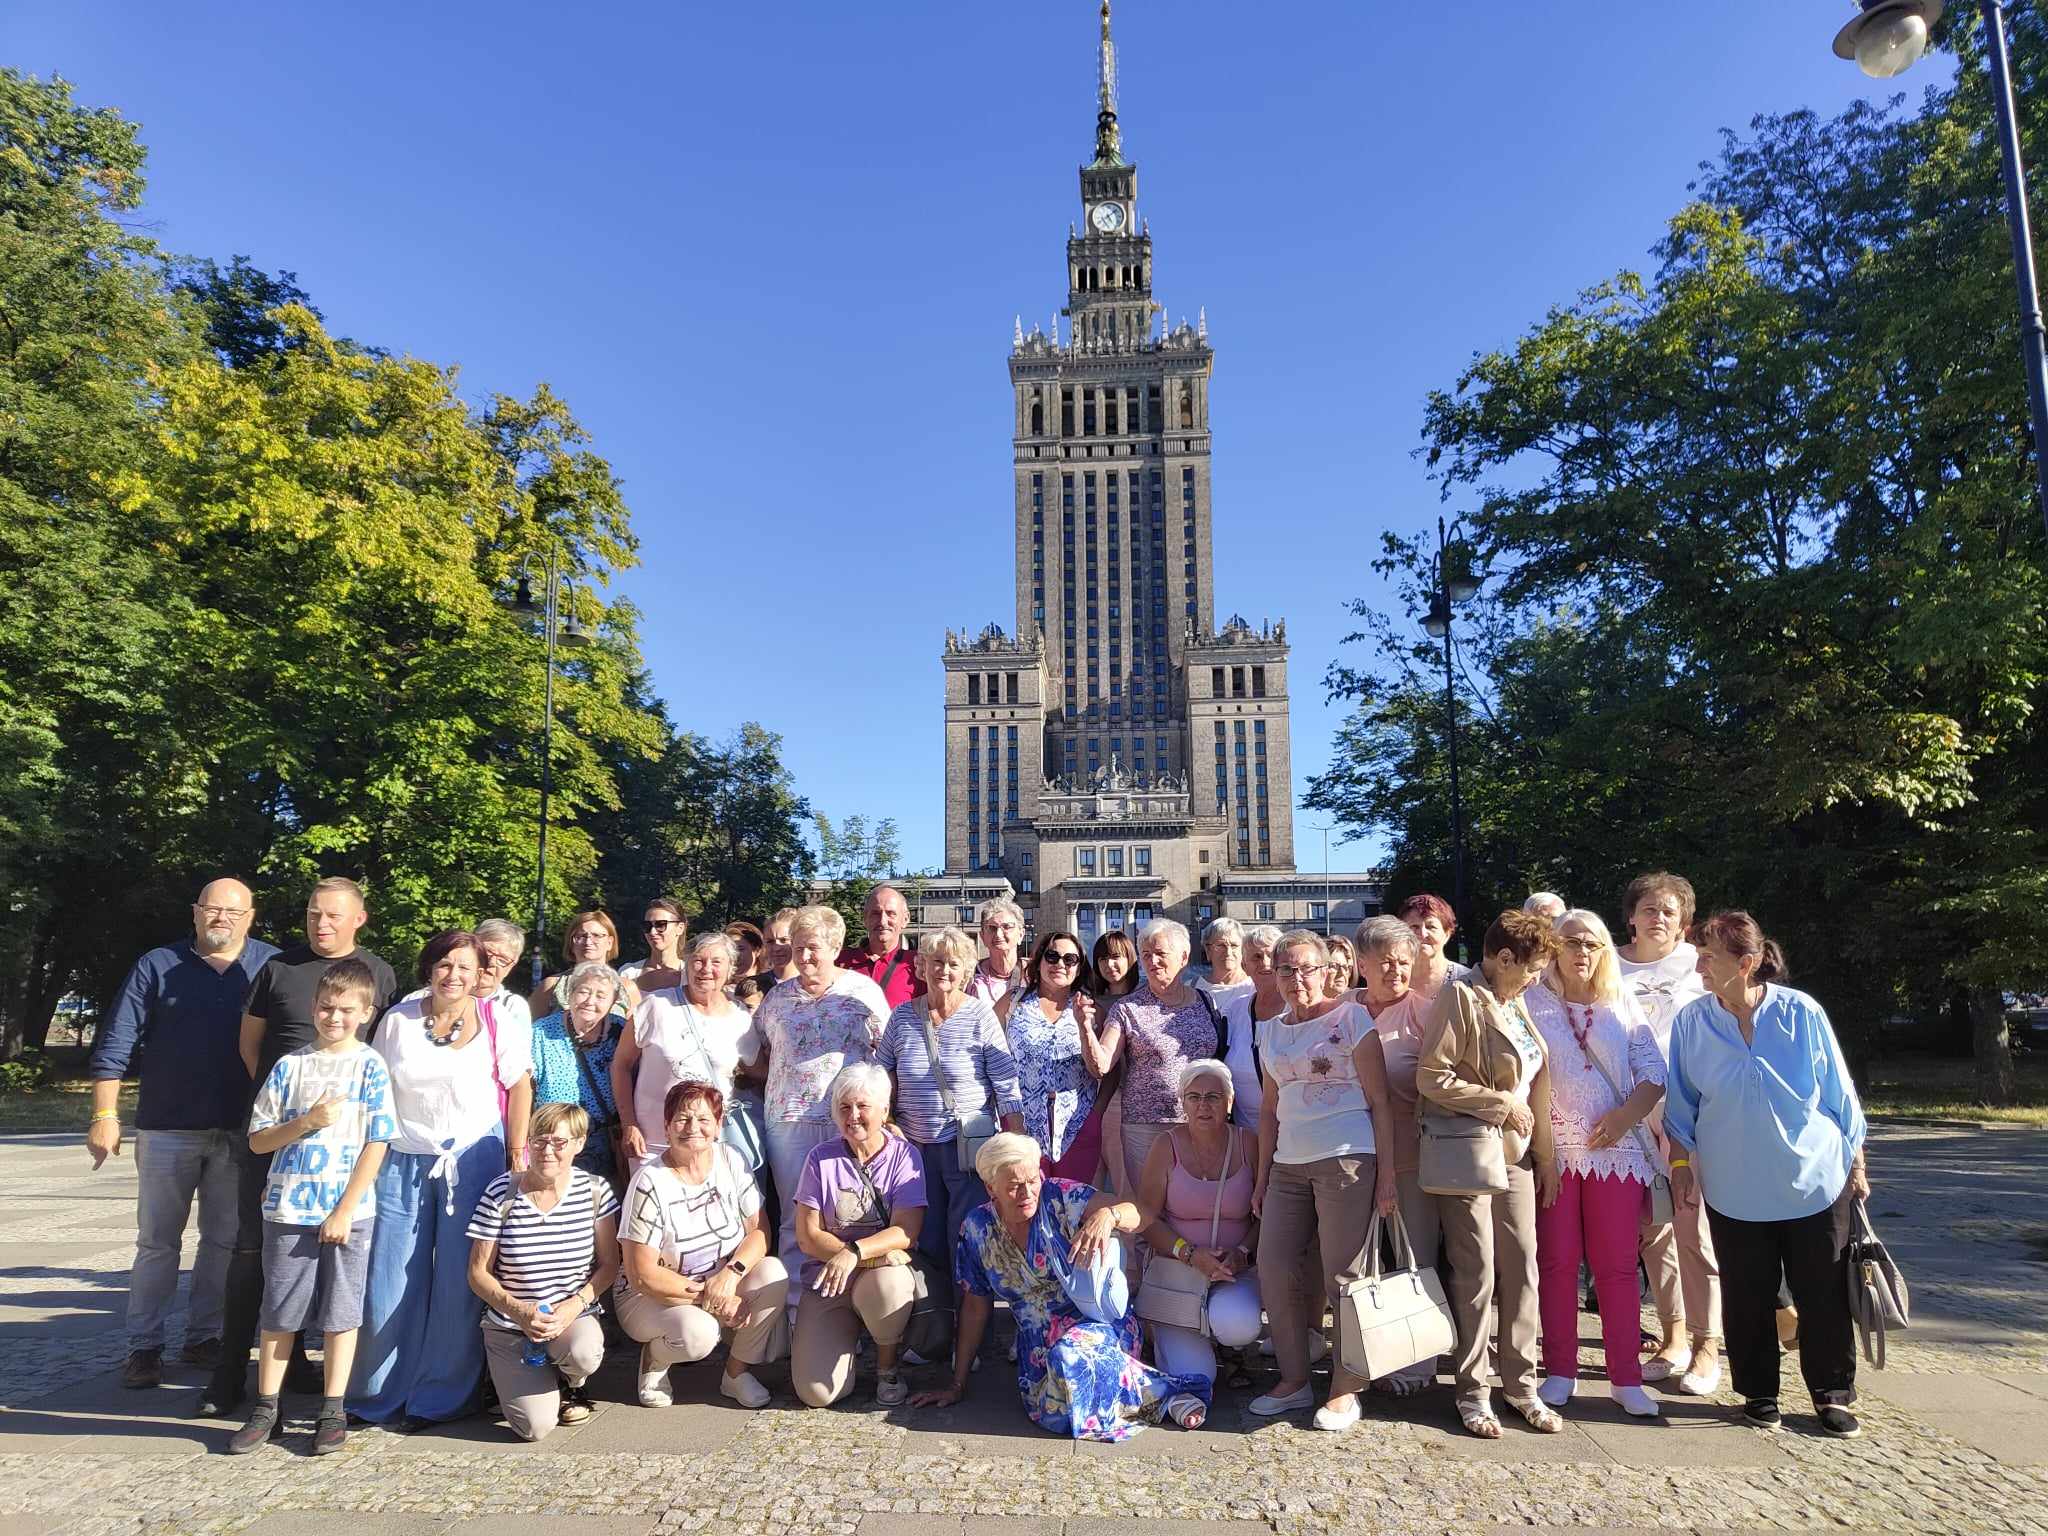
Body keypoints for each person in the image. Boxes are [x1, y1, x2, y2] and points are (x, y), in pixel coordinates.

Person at [1664, 912, 1869, 1438]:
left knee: (1822, 1291)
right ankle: (1759, 1393)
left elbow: (1840, 1094)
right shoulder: (1692, 1022)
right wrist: (1682, 1164)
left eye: (1710, 956)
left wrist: (1857, 1163)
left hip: (1815, 1179)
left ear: (1748, 963)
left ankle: (1832, 1394)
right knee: (1747, 1292)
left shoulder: (1801, 1013)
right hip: (1734, 1186)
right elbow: (1681, 1105)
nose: (1700, 965)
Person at [208, 876, 399, 1418]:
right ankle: (233, 1378)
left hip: (345, 1162)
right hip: (282, 1151)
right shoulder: (277, 969)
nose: (322, 923)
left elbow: (376, 1055)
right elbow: (251, 1045)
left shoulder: (378, 974)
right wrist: (295, 1116)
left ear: (358, 919)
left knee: (339, 1286)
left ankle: (324, 1391)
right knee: (253, 1259)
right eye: (314, 913)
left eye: (334, 915)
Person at [89, 878, 278, 1391]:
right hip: (167, 1125)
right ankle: (144, 1346)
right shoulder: (156, 965)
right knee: (157, 1243)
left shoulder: (271, 965)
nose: (222, 918)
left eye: (233, 911)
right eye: (213, 909)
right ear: (196, 913)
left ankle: (203, 1338)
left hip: (242, 1130)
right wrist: (105, 1115)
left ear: (250, 916)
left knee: (223, 1241)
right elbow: (117, 1040)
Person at [910, 1133, 1209, 1439]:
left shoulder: (1061, 1197)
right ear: (991, 1188)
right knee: (1059, 1415)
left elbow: (1142, 1213)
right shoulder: (977, 1229)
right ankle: (1140, 1395)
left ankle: (1166, 1394)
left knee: (1071, 1358)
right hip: (1038, 1349)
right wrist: (957, 1383)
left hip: (1096, 1322)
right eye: (1014, 1186)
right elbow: (975, 1305)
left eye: (1033, 1180)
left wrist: (1109, 1215)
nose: (1027, 1192)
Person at [353, 930, 533, 1428]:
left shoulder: (498, 1020)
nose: (453, 975)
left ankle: (442, 1398)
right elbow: (375, 1091)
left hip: (474, 1160)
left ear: (480, 976)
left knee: (460, 1280)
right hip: (402, 1158)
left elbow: (520, 1086)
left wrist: (516, 1151)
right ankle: (378, 1394)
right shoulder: (397, 1020)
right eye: (444, 965)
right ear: (429, 968)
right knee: (389, 1280)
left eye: (464, 968)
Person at [227, 957, 394, 1456]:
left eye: (346, 1009)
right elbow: (258, 1140)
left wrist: (345, 1209)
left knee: (341, 1313)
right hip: (288, 1208)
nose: (334, 1017)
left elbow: (378, 1142)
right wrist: (305, 1123)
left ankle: (332, 1407)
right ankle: (266, 1406)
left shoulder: (370, 1065)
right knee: (279, 1311)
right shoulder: (290, 1065)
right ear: (313, 1007)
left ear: (365, 1011)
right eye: (326, 1007)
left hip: (348, 1210)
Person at [1418, 908, 1561, 1439]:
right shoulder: (1462, 995)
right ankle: (1472, 1390)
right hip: (1471, 1154)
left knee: (1523, 1267)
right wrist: (1497, 1103)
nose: (1535, 978)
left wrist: (1544, 1156)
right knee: (1476, 1273)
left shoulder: (1515, 1000)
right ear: (1503, 958)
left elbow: (1536, 1084)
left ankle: (1522, 1387)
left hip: (1517, 1156)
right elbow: (1432, 1076)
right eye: (1530, 968)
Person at [1522, 910, 1665, 1418]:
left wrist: (1627, 1116)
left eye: (1592, 943)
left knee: (1618, 1268)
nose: (1581, 952)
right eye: (1570, 942)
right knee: (1556, 1263)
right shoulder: (1531, 1001)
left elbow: (1653, 1071)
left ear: (1605, 950)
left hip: (1616, 1155)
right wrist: (1540, 1148)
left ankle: (1625, 1377)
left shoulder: (1621, 1003)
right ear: (1553, 948)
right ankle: (1559, 1370)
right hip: (1553, 1156)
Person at [1250, 931, 1395, 1432]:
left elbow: (1380, 1102)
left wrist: (1388, 1176)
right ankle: (1293, 1379)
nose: (1296, 980)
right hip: (1289, 1163)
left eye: (1306, 969)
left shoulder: (1352, 1018)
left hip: (1347, 1159)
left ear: (1327, 971)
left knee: (1344, 1277)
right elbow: (1269, 1111)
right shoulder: (1269, 1031)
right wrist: (1262, 1176)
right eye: (1286, 970)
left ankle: (1346, 1386)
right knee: (1274, 1265)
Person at [877, 928, 1025, 1334]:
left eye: (953, 963)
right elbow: (881, 1075)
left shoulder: (979, 1016)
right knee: (922, 1240)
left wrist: (1017, 1145)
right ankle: (931, 1331)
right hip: (912, 1148)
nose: (943, 970)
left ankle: (970, 1333)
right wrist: (888, 1124)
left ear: (965, 971)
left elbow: (1006, 1085)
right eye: (936, 961)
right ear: (922, 966)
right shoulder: (903, 1017)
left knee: (966, 1239)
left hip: (966, 1149)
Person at [614, 1080, 788, 1410]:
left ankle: (735, 1374)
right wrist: (715, 1297)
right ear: (666, 1127)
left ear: (719, 1126)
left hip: (718, 1279)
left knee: (772, 1274)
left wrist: (732, 1276)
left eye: (704, 1119)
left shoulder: (731, 1159)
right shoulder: (650, 1181)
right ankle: (654, 1358)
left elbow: (760, 1231)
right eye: (682, 1119)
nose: (693, 1127)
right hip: (651, 1296)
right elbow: (643, 1275)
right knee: (699, 1334)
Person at [1616, 870, 1723, 1391]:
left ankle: (1708, 1345)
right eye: (1650, 909)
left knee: (1693, 1229)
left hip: (1689, 1115)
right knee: (1652, 1232)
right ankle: (1673, 1336)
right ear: (1631, 916)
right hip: (1631, 1115)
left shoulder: (1697, 966)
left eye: (1669, 911)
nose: (1658, 918)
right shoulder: (1606, 966)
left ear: (1685, 923)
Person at [754, 904, 891, 1297]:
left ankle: (854, 1304)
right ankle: (797, 1309)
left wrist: (884, 1111)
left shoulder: (863, 992)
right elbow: (760, 1051)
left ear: (835, 946)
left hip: (848, 1120)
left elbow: (886, 1052)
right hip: (789, 1119)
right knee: (796, 1218)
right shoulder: (776, 1000)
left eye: (813, 947)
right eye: (798, 947)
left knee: (851, 1214)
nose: (805, 956)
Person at [466, 1101, 621, 1441]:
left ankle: (570, 1383)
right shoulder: (500, 1192)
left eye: (559, 1142)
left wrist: (574, 1306)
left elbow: (610, 1265)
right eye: (538, 1140)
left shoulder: (595, 1191)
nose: (547, 1150)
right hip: (511, 1325)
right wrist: (519, 1311)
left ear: (579, 1144)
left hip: (569, 1318)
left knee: (585, 1351)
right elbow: (477, 1273)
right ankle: (513, 1378)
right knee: (535, 1428)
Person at [790, 1063, 927, 1407]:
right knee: (816, 1394)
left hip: (876, 1277)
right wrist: (858, 1257)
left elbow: (906, 1231)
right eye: (844, 1107)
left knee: (889, 1284)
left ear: (884, 1110)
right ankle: (844, 1343)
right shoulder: (820, 1158)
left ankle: (887, 1365)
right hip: (829, 1279)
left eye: (862, 1106)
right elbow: (807, 1236)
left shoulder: (905, 1157)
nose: (853, 1116)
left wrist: (854, 1253)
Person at [1135, 1060, 1261, 1394]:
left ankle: (1229, 1345)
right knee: (1197, 1379)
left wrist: (1243, 1253)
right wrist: (1189, 1254)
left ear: (1230, 1103)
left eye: (1213, 1097)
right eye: (1194, 1097)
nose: (1203, 1105)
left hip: (1233, 1272)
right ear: (1183, 1103)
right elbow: (1146, 1218)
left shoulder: (1249, 1143)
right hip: (1179, 1275)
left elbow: (1266, 1215)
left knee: (1239, 1325)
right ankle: (1164, 1333)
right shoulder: (1166, 1145)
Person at [1353, 915, 1435, 1396]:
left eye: (1404, 963)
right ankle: (1363, 1354)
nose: (1396, 972)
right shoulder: (1345, 1009)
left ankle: (1416, 1361)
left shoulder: (1426, 1014)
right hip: (1349, 1153)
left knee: (1412, 1256)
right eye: (1385, 963)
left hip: (1408, 1155)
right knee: (1359, 1263)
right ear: (1362, 964)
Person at [1099, 919, 1221, 1212]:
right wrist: (1083, 1027)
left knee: (1195, 1206)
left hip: (1200, 1121)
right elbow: (1103, 1063)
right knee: (1147, 1210)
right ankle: (1149, 1260)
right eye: (1145, 954)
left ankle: (1189, 1258)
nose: (1152, 961)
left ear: (1183, 957)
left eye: (1160, 953)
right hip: (1145, 1125)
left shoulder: (1207, 1002)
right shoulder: (1127, 1008)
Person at [612, 933, 761, 1165]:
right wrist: (628, 1123)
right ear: (687, 965)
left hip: (711, 1143)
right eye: (698, 961)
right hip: (653, 1143)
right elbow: (621, 1065)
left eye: (716, 962)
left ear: (731, 968)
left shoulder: (740, 1017)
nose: (705, 969)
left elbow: (761, 1070)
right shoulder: (655, 1006)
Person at [997, 931, 1111, 1181]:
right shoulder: (1012, 1003)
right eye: (1052, 956)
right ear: (1039, 962)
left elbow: (1109, 1068)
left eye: (1070, 959)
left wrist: (1096, 1113)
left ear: (1078, 968)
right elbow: (989, 1056)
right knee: (1026, 1206)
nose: (1060, 964)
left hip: (1077, 1125)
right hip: (1021, 1125)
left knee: (1073, 1209)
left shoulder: (1092, 1011)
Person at [528, 961, 627, 1182]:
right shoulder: (541, 1033)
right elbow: (526, 1090)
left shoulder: (622, 1032)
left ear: (612, 1002)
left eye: (601, 995)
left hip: (606, 1147)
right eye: (583, 991)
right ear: (570, 994)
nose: (590, 1001)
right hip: (551, 1147)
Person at [1218, 925, 1283, 1131]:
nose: (1265, 963)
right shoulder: (1234, 1010)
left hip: (1292, 1132)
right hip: (1246, 1134)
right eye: (1256, 957)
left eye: (1271, 956)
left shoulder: (1298, 1009)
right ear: (1244, 965)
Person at [529, 910, 638, 1018]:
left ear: (610, 942)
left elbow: (636, 1032)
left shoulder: (627, 988)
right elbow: (529, 1029)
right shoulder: (550, 985)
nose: (588, 941)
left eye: (596, 935)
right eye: (581, 936)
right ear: (571, 943)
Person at [836, 884, 923, 1009]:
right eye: (876, 913)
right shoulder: (840, 962)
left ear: (905, 919)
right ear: (865, 918)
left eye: (891, 913)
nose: (882, 921)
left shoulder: (918, 965)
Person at [1398, 893, 1467, 1001]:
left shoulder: (1467, 981)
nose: (1423, 933)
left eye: (1431, 927)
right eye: (1414, 927)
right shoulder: (1392, 980)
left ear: (1447, 934)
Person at [968, 899, 1027, 1010]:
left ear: (1021, 934)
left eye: (1007, 927)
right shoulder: (969, 976)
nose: (999, 934)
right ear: (982, 936)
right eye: (992, 928)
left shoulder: (1035, 974)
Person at [619, 898, 687, 994]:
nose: (652, 932)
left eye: (660, 925)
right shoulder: (628, 973)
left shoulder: (690, 975)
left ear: (680, 928)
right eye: (647, 926)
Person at [1197, 918, 1253, 1009]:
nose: (1228, 952)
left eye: (1234, 945)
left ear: (1243, 949)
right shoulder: (1192, 988)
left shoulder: (1255, 988)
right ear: (1208, 950)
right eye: (1220, 945)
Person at [1092, 929, 1138, 1001]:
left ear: (1129, 958)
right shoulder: (1090, 1002)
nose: (1109, 964)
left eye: (1116, 956)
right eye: (1103, 959)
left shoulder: (1145, 996)